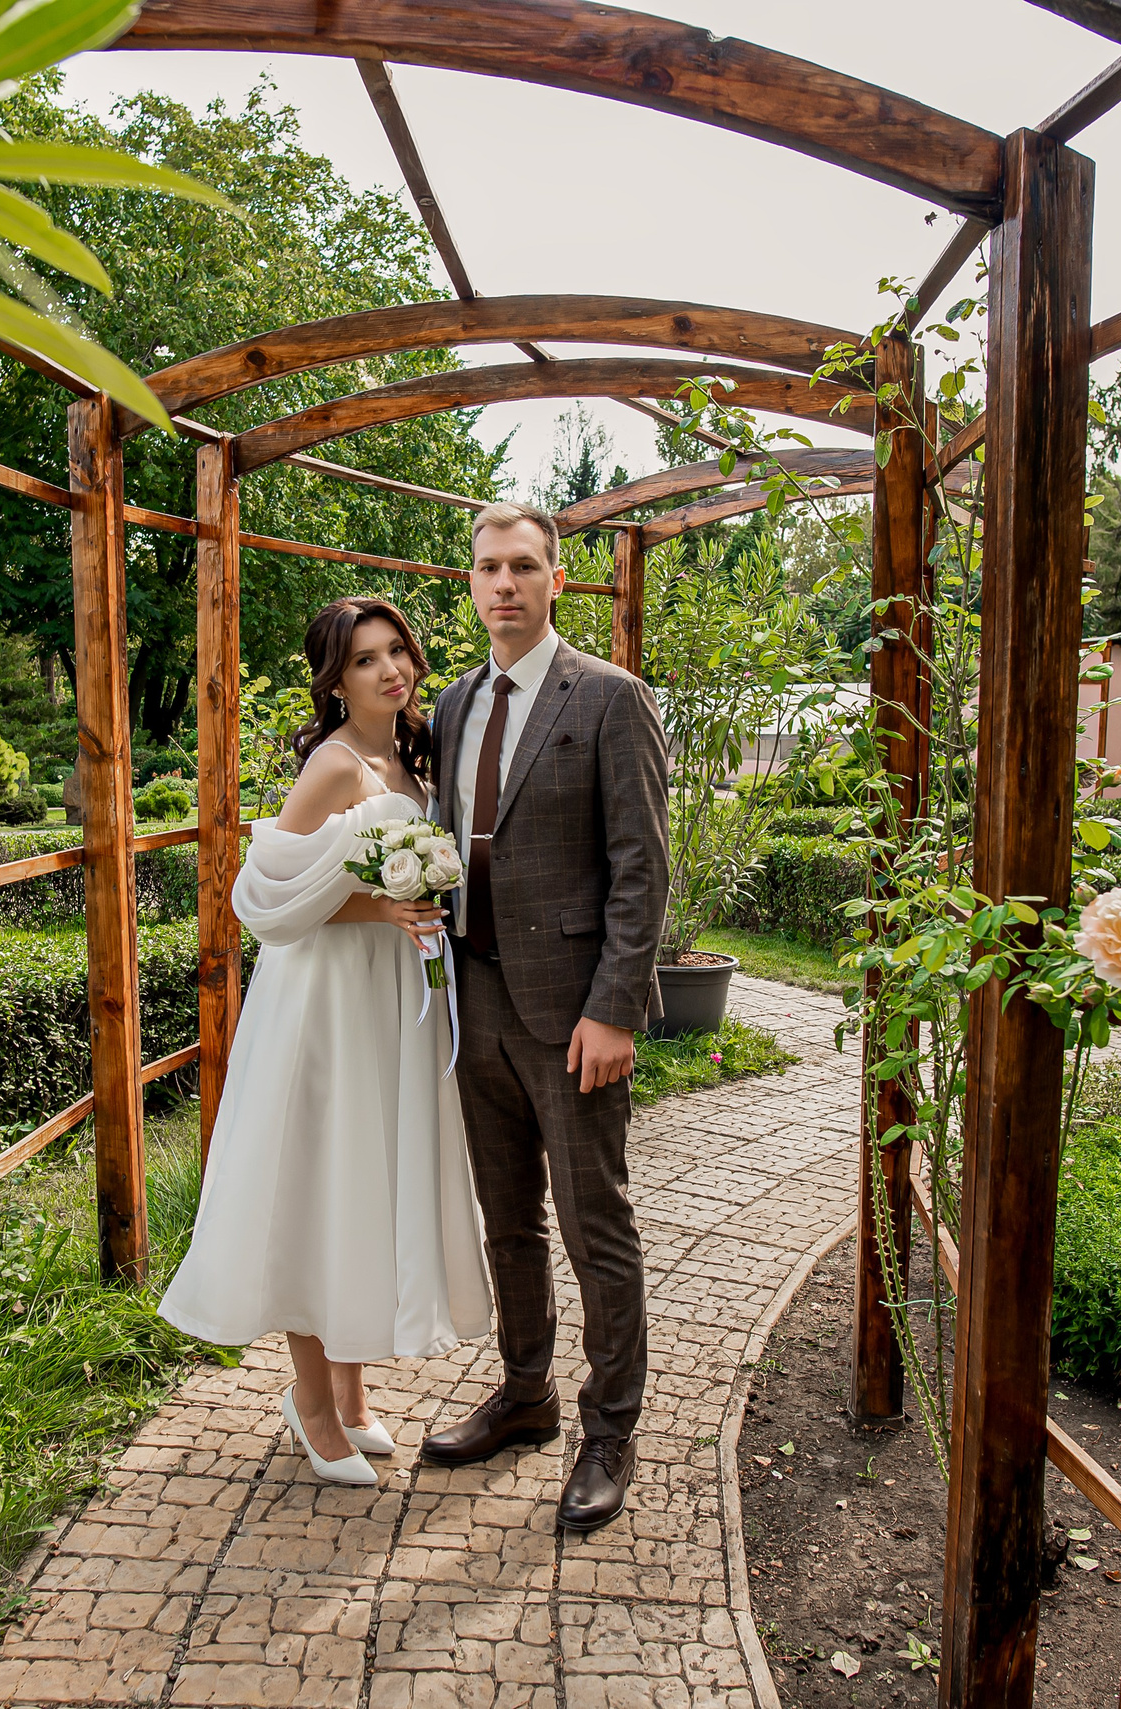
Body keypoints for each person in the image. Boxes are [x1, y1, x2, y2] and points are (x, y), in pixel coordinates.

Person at [158, 597, 493, 1486]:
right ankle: (310, 1402)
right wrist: (380, 906)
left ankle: (350, 1396)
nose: (390, 669)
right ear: (336, 679)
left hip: (386, 997)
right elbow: (261, 896)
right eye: (365, 660)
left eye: (396, 651)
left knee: (365, 1184)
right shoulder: (336, 766)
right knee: (317, 1185)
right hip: (326, 1001)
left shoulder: (410, 754)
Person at [420, 500, 670, 1533]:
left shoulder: (610, 698)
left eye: (523, 565)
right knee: (507, 1220)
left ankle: (608, 1428)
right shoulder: (449, 703)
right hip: (470, 1000)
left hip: (572, 1016)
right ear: (470, 583)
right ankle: (525, 1394)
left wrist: (613, 1007)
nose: (505, 584)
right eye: (487, 568)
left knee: (593, 1223)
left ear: (556, 579)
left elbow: (642, 866)